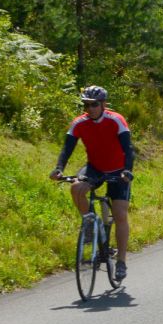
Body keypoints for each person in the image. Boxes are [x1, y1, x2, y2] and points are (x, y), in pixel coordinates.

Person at [50, 85, 134, 281]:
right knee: (76, 187)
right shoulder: (79, 123)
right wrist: (59, 168)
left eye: (94, 104)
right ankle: (90, 223)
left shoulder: (116, 120)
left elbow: (128, 149)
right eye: (86, 105)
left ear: (103, 104)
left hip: (118, 170)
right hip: (95, 168)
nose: (90, 109)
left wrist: (128, 171)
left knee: (120, 214)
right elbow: (67, 148)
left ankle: (121, 261)